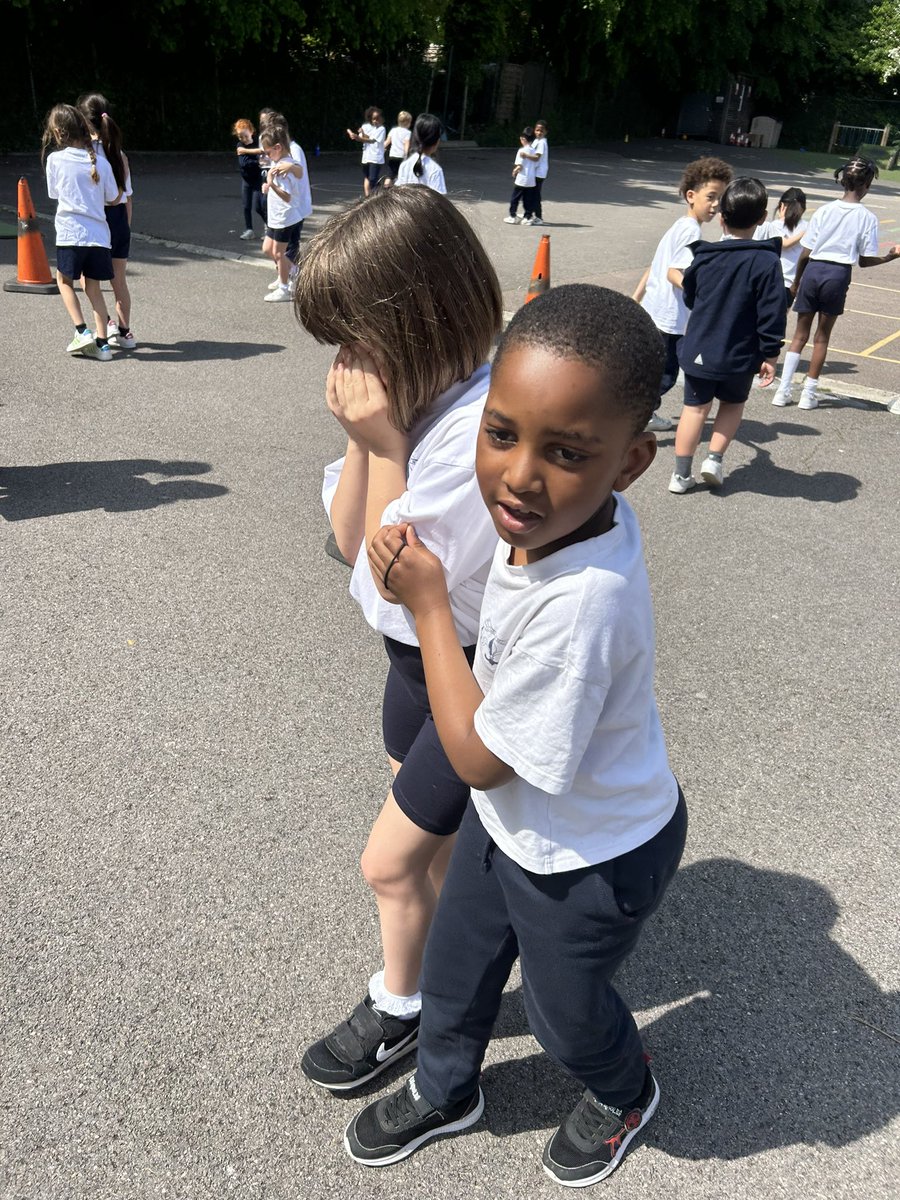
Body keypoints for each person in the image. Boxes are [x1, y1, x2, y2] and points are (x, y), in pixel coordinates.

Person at [345, 284, 687, 1188]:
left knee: (560, 1011)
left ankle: (622, 1089)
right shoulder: (553, 522)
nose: (521, 476)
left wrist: (423, 605)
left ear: (633, 461)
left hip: (594, 854)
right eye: (502, 434)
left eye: (567, 452)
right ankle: (447, 1086)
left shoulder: (589, 604)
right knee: (457, 970)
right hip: (517, 824)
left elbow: (478, 759)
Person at [293, 187, 503, 1092]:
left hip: (462, 671)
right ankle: (448, 968)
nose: (345, 359)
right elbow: (348, 542)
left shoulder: (472, 430)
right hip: (410, 668)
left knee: (386, 862)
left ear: (416, 317)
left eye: (354, 334)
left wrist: (384, 438)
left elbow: (386, 576)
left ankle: (404, 1004)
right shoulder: (413, 401)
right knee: (435, 851)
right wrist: (369, 439)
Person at [667, 178, 785, 493]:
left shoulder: (704, 256)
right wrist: (770, 355)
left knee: (694, 409)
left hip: (699, 349)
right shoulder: (767, 261)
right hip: (740, 353)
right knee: (732, 405)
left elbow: (691, 297)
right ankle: (714, 460)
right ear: (762, 219)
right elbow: (773, 313)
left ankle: (680, 476)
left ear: (722, 217)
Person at [772, 157, 900, 410]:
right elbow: (864, 261)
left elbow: (805, 252)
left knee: (799, 335)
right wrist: (890, 256)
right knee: (821, 338)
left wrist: (797, 281)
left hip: (812, 270)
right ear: (867, 185)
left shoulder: (824, 211)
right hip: (838, 274)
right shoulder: (867, 217)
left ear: (843, 181)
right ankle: (808, 395)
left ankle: (783, 390)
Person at [632, 156, 733, 432]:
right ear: (691, 195)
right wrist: (706, 297)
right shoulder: (690, 230)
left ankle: (639, 413)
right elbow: (673, 273)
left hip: (657, 311)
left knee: (652, 369)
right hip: (671, 319)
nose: (716, 205)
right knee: (665, 374)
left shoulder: (680, 225)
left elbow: (656, 266)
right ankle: (634, 418)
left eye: (720, 198)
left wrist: (636, 297)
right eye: (711, 196)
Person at [42, 103, 120, 360]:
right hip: (99, 236)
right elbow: (112, 197)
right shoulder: (100, 161)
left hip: (70, 233)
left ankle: (81, 330)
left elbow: (54, 193)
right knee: (94, 289)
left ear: (58, 132)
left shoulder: (55, 159)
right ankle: (103, 345)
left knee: (64, 281)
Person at [77, 93, 136, 350]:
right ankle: (125, 332)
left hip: (94, 219)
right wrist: (126, 227)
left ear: (82, 120)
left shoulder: (81, 155)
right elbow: (127, 198)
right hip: (118, 219)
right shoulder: (118, 153)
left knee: (87, 278)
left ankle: (106, 324)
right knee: (119, 280)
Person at [259, 110, 313, 278]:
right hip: (283, 208)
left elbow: (298, 171)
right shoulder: (279, 151)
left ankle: (291, 280)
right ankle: (287, 277)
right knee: (275, 250)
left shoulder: (293, 150)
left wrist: (289, 168)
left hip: (293, 208)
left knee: (286, 249)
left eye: (269, 127)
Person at [259, 126, 304, 302]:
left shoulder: (284, 168)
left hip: (285, 217)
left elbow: (286, 196)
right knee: (267, 248)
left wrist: (272, 184)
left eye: (268, 152)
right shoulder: (281, 163)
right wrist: (268, 187)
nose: (266, 156)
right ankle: (295, 272)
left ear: (277, 147)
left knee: (279, 253)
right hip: (276, 217)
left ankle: (285, 289)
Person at [755, 187, 808, 316]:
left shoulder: (774, 225)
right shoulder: (807, 227)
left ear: (782, 206)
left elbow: (784, 244)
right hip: (792, 283)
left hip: (772, 280)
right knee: (779, 323)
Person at [232, 118, 266, 240]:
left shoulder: (258, 142)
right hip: (246, 180)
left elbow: (263, 155)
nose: (243, 140)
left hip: (258, 180)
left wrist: (249, 154)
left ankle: (268, 227)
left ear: (251, 131)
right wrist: (257, 160)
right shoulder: (239, 145)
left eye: (245, 136)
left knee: (259, 206)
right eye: (240, 137)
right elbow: (244, 163)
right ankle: (249, 229)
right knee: (246, 206)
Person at [396, 113, 446, 193]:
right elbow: (439, 201)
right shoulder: (435, 170)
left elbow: (398, 193)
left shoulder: (404, 165)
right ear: (437, 142)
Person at [504, 126, 540, 225]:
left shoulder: (521, 151)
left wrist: (515, 170)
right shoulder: (534, 151)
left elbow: (520, 165)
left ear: (523, 139)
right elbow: (536, 164)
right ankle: (527, 217)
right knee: (528, 200)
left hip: (521, 179)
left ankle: (513, 216)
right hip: (531, 180)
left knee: (514, 198)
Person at [347, 107, 386, 197]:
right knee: (367, 178)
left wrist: (359, 138)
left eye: (377, 118)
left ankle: (380, 195)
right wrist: (359, 135)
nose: (376, 121)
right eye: (373, 119)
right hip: (366, 157)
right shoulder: (365, 126)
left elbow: (372, 140)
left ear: (381, 118)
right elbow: (365, 138)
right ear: (370, 119)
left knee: (373, 179)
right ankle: (368, 198)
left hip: (376, 157)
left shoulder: (381, 129)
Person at [384, 111, 412, 186]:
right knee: (401, 175)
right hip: (401, 156)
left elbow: (387, 142)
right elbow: (406, 144)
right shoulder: (407, 133)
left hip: (392, 155)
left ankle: (385, 189)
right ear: (407, 122)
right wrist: (406, 155)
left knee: (390, 174)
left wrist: (381, 149)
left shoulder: (393, 130)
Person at [531, 119, 549, 225]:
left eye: (541, 131)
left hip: (539, 173)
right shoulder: (536, 141)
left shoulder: (542, 142)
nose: (539, 132)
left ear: (546, 132)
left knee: (535, 195)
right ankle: (529, 213)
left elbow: (537, 157)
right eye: (537, 130)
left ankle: (539, 217)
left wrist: (524, 156)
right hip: (534, 172)